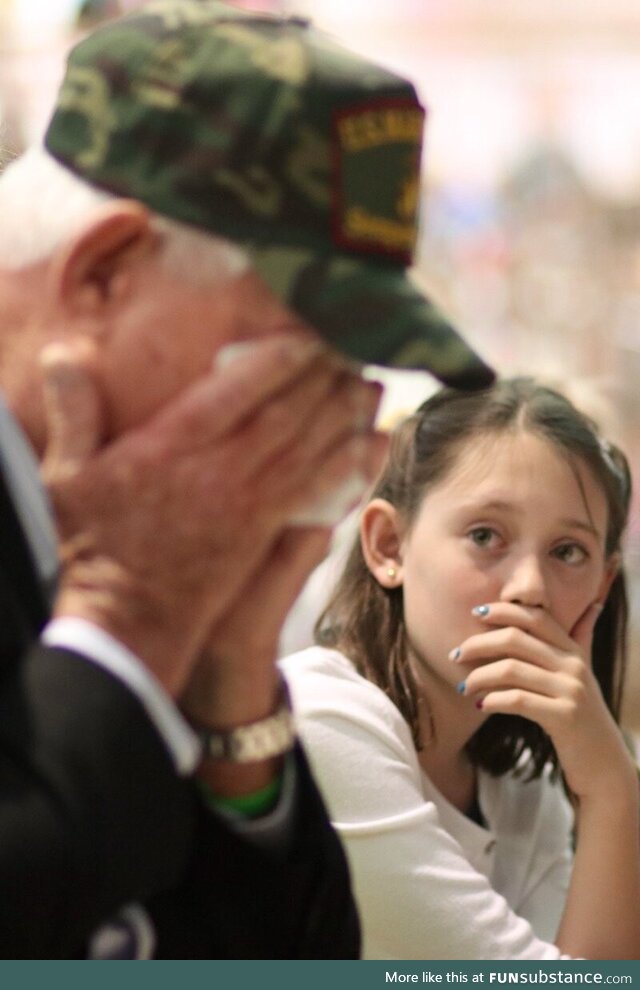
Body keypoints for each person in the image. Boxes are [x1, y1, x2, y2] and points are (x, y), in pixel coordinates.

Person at [0, 0, 494, 960]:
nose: (336, 423)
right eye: (296, 360)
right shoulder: (127, 566)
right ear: (102, 276)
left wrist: (231, 700)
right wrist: (128, 620)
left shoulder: (113, 519)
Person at [281, 377, 640, 960]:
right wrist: (612, 788)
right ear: (389, 546)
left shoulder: (522, 780)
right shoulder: (325, 725)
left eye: (567, 551)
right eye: (484, 536)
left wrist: (607, 778)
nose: (529, 589)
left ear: (603, 581)